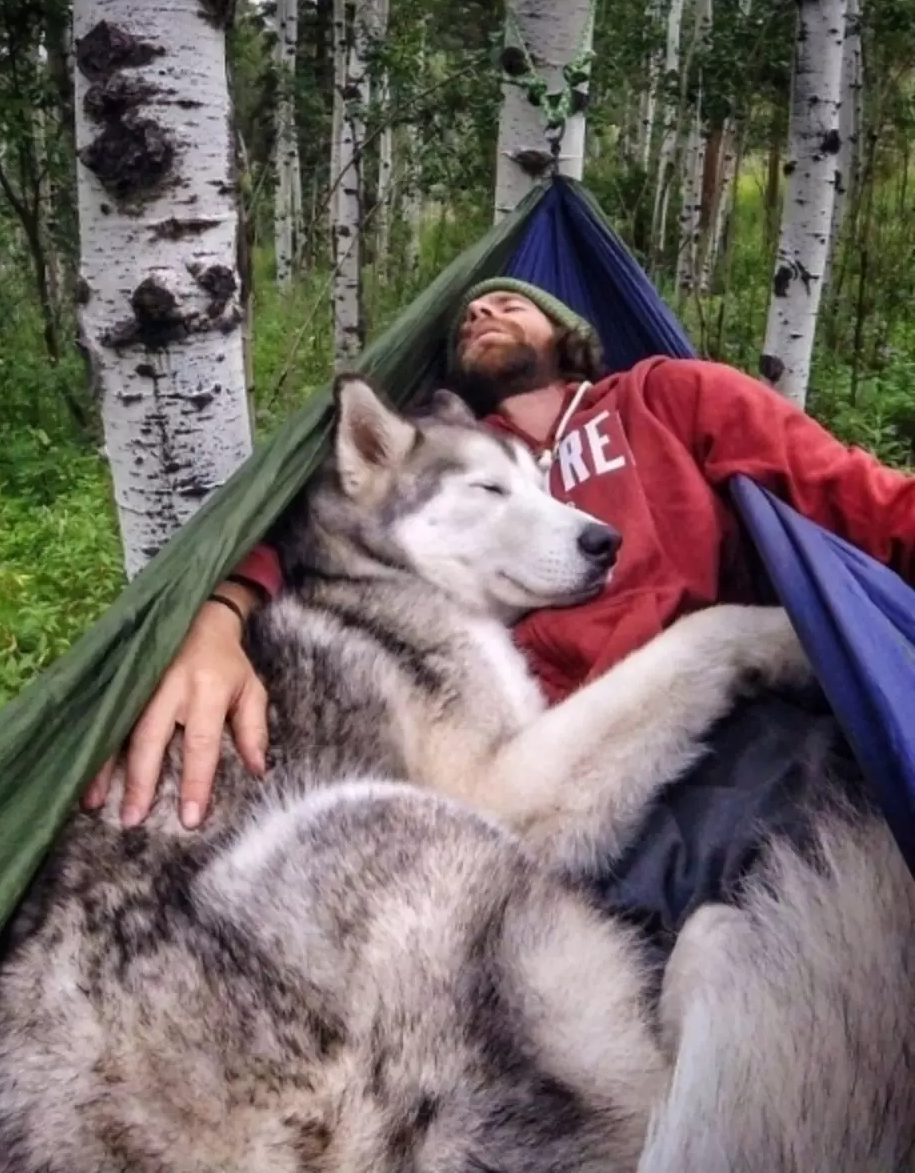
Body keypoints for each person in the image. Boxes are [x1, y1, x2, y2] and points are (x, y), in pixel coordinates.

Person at [83, 277, 915, 929]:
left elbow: (858, 499)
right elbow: (330, 529)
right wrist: (219, 607)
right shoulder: (459, 467)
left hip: (733, 746)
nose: (484, 309)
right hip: (552, 784)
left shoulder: (668, 397)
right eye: (470, 312)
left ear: (567, 335)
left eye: (512, 302)